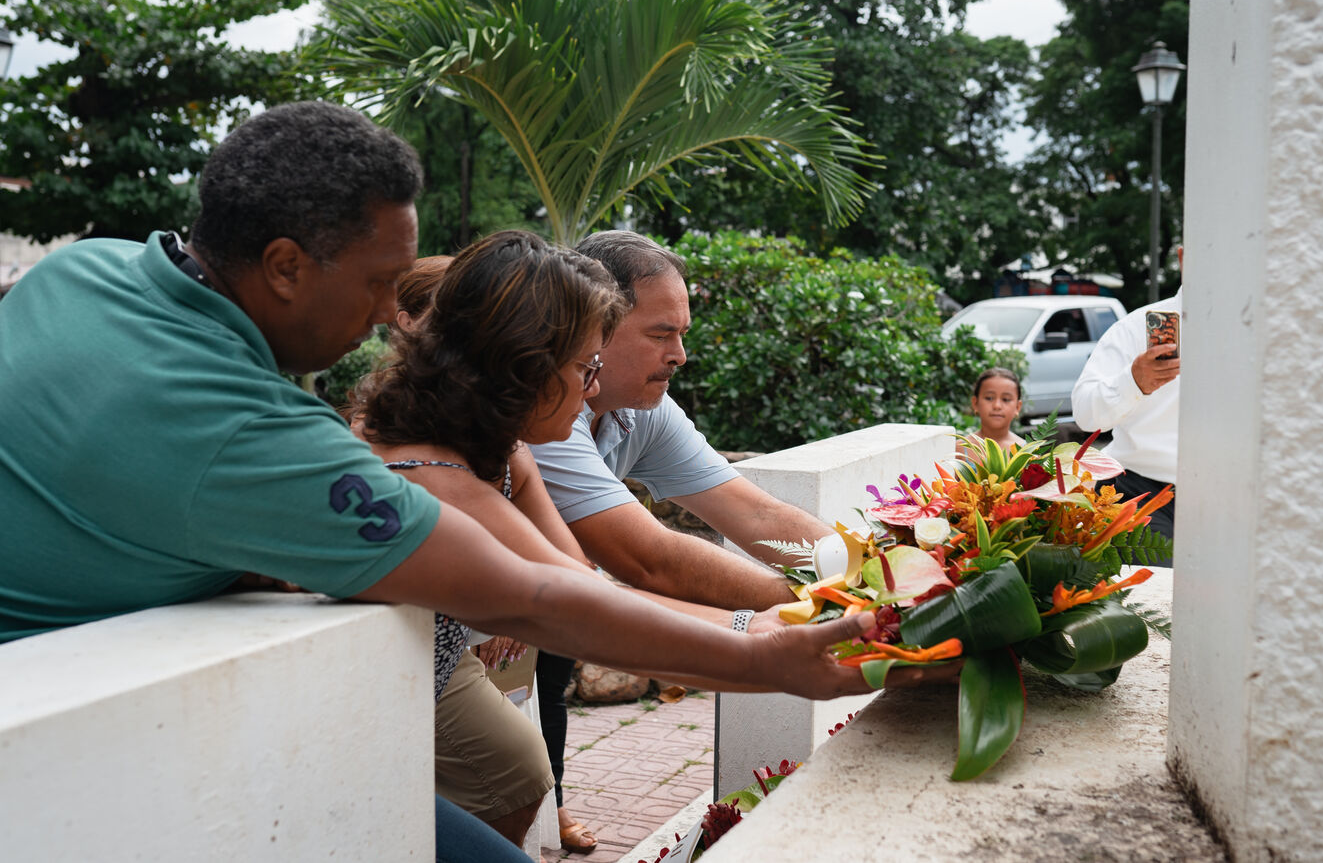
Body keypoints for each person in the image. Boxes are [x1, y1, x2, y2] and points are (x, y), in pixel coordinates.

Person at [0, 102, 880, 861]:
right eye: (379, 282)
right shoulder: (256, 437)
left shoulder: (85, 269)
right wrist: (762, 657)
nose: (394, 312)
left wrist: (775, 620)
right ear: (284, 265)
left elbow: (566, 578)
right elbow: (535, 597)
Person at [525, 231, 839, 846]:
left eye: (683, 334)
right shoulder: (542, 415)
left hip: (542, 605)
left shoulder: (640, 406)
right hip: (473, 635)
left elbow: (755, 514)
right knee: (510, 773)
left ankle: (547, 808)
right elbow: (650, 561)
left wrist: (874, 566)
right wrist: (830, 602)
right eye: (661, 334)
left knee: (530, 743)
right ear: (595, 323)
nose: (680, 355)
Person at [1071, 269, 1181, 546]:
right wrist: (1133, 382)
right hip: (1141, 490)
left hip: (1237, 494)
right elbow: (1085, 412)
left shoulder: (1264, 329)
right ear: (1182, 258)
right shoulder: (1133, 329)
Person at [959, 367, 1025, 462]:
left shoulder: (1027, 452)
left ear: (1017, 407)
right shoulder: (958, 449)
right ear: (975, 403)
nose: (997, 406)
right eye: (989, 398)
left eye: (1006, 399)